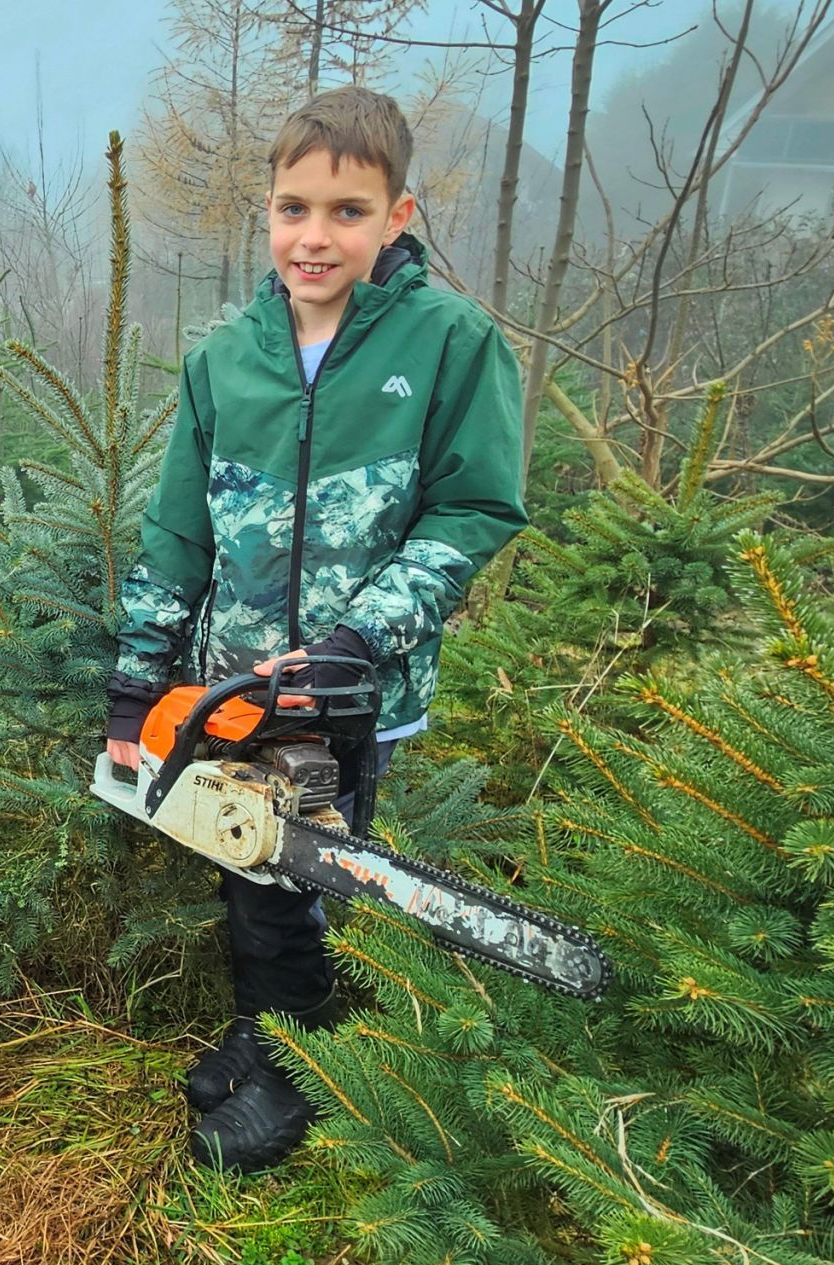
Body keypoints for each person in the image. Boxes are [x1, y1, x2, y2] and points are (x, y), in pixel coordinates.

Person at [104, 86, 527, 1174]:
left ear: (396, 214)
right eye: (294, 208)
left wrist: (365, 636)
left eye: (346, 210)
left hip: (354, 681)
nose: (314, 235)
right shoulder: (226, 358)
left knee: (300, 864)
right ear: (266, 212)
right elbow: (174, 530)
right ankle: (266, 1024)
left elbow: (474, 505)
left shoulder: (448, 342)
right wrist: (136, 677)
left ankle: (302, 1072)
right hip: (232, 676)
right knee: (245, 859)